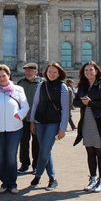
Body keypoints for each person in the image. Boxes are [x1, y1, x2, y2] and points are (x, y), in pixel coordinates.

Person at [29, 62, 69, 191]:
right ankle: (52, 178)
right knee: (46, 151)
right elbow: (35, 104)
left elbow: (65, 109)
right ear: (46, 72)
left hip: (53, 123)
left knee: (44, 150)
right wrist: (32, 121)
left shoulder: (62, 87)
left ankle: (38, 175)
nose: (51, 74)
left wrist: (63, 128)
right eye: (49, 72)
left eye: (54, 72)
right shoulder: (41, 85)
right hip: (40, 122)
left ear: (59, 74)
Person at [0, 64, 29, 194]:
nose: (1, 78)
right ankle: (4, 183)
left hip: (15, 128)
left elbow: (25, 106)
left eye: (3, 76)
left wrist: (20, 115)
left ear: (9, 76)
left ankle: (12, 184)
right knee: (1, 157)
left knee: (11, 157)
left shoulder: (18, 89)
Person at [73, 61, 101, 193]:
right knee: (90, 152)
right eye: (86, 70)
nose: (88, 72)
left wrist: (91, 103)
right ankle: (93, 179)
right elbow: (75, 102)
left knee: (100, 152)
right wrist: (83, 103)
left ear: (96, 71)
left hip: (99, 121)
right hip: (86, 121)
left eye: (91, 70)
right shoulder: (82, 86)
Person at [16, 62, 43, 175]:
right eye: (26, 71)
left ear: (35, 72)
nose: (27, 72)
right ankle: (24, 164)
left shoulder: (42, 83)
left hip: (37, 119)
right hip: (24, 119)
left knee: (36, 143)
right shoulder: (21, 83)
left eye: (30, 71)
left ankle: (36, 165)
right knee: (23, 142)